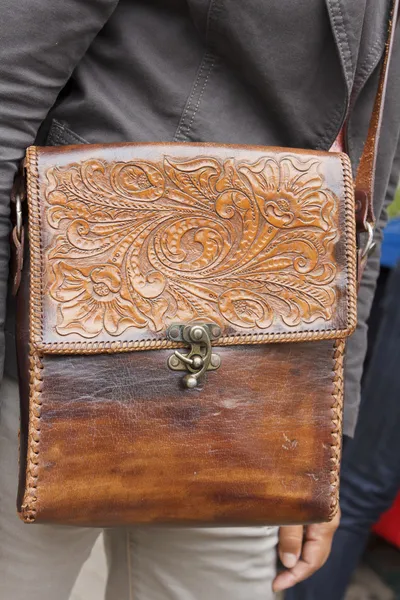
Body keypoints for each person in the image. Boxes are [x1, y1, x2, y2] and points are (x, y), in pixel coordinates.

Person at [0, 2, 399, 599]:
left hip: (258, 388)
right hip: (63, 339)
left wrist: (321, 445)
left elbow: (360, 205)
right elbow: (8, 88)